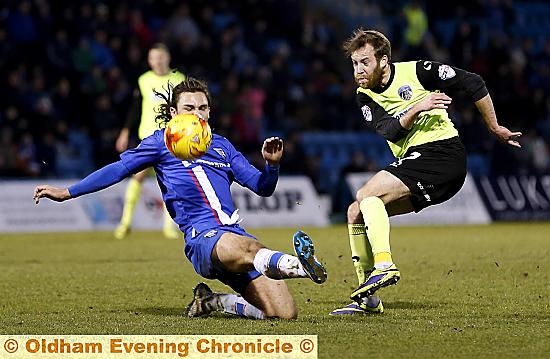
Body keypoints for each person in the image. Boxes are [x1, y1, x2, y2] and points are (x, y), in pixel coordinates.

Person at [33, 77, 327, 320]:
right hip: (203, 239)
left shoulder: (222, 146)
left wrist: (272, 166)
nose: (196, 113)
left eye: (202, 107)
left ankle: (213, 303)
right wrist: (68, 192)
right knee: (252, 247)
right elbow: (118, 169)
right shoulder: (160, 143)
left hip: (233, 236)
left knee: (283, 314)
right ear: (174, 112)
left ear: (210, 112)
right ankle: (301, 266)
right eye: (188, 107)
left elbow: (262, 187)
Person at [330, 29, 521, 316]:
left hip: (442, 154)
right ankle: (368, 299)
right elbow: (390, 131)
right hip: (422, 164)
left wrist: (493, 127)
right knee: (355, 211)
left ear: (383, 61)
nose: (358, 70)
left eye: (365, 62)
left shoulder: (418, 71)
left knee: (366, 193)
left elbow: (473, 82)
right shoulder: (364, 96)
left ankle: (384, 264)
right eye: (355, 63)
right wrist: (418, 107)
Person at [114, 43, 185, 240]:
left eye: (161, 56)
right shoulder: (144, 80)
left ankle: (169, 226)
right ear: (149, 60)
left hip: (173, 137)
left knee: (172, 182)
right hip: (147, 137)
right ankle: (125, 223)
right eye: (154, 57)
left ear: (168, 58)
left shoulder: (179, 79)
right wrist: (125, 132)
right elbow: (136, 107)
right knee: (137, 177)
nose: (158, 61)